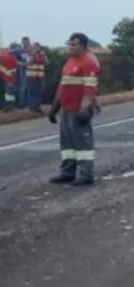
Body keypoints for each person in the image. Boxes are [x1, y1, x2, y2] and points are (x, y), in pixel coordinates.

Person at [47, 33, 100, 186]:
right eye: (69, 44)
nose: (70, 47)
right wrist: (54, 108)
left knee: (82, 143)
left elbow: (90, 89)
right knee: (67, 144)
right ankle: (67, 172)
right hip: (66, 109)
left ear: (83, 46)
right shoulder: (69, 62)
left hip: (78, 109)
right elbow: (62, 87)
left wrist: (84, 108)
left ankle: (86, 174)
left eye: (74, 44)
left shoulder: (88, 63)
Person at [25, 42, 47, 113]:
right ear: (33, 48)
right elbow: (28, 63)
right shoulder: (28, 54)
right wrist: (33, 54)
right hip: (31, 76)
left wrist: (43, 56)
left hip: (40, 76)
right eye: (35, 47)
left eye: (38, 47)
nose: (37, 49)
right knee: (32, 92)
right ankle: (31, 107)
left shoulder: (42, 55)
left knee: (39, 92)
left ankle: (37, 107)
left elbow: (47, 62)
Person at [0, 45, 16, 111]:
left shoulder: (8, 56)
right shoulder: (10, 56)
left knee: (6, 92)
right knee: (7, 92)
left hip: (5, 77)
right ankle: (7, 106)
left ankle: (6, 106)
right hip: (7, 77)